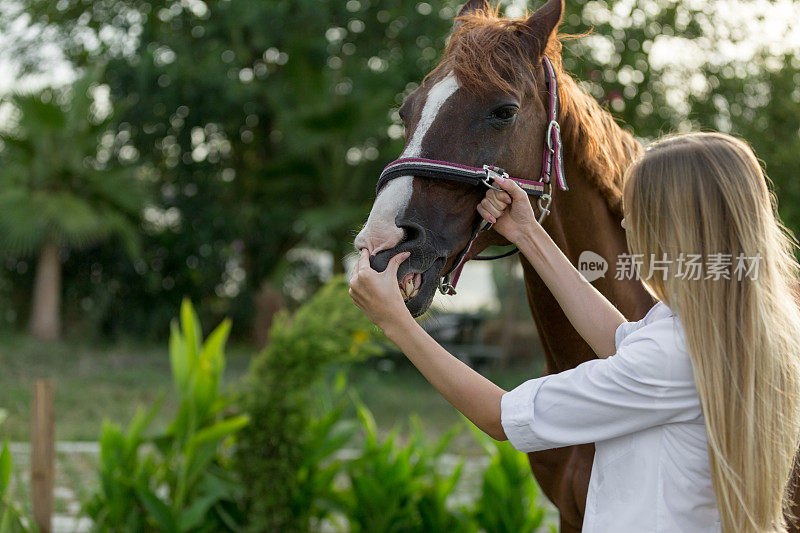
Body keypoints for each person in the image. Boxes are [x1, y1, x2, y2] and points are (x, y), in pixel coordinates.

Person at [348, 131, 800, 532]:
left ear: (673, 231)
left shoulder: (672, 355)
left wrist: (395, 321)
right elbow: (621, 341)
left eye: (634, 211)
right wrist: (528, 233)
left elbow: (499, 416)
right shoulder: (731, 331)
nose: (623, 224)